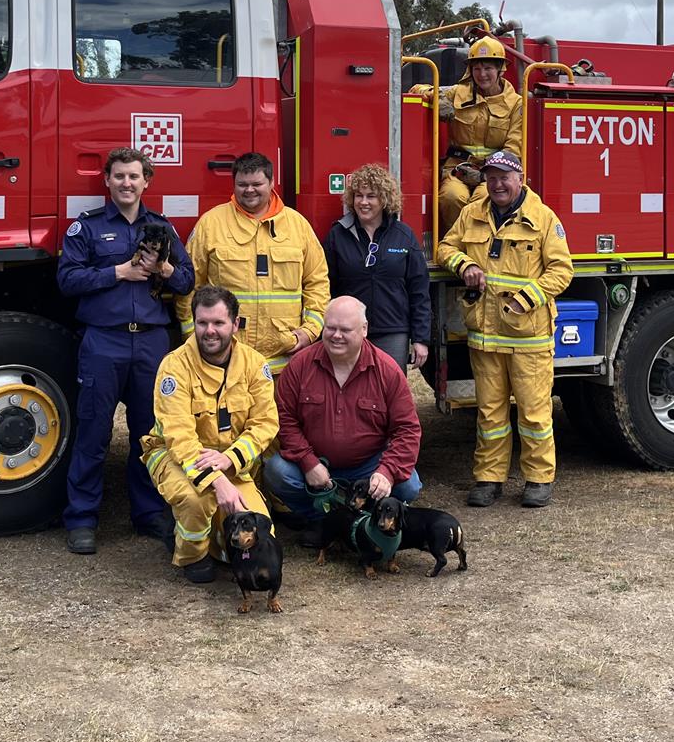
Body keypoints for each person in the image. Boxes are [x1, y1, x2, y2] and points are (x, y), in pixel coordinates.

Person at [56, 147, 194, 555]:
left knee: (149, 434)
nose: (127, 183)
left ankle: (148, 512)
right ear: (108, 181)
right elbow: (67, 280)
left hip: (151, 341)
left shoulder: (162, 228)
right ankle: (82, 518)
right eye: (119, 177)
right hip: (104, 340)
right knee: (94, 433)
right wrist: (119, 271)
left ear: (146, 181)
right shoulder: (88, 228)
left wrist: (163, 270)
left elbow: (187, 281)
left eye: (134, 177)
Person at [435, 149, 573, 509]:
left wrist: (526, 299)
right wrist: (463, 264)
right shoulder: (471, 213)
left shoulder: (543, 219)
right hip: (485, 337)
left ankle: (538, 479)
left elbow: (562, 271)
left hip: (528, 337)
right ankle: (488, 478)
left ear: (520, 179)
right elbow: (444, 248)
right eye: (491, 177)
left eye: (504, 177)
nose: (497, 184)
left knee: (533, 413)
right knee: (490, 414)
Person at [141, 286, 280, 583]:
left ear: (235, 323)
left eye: (218, 323)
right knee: (196, 500)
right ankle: (193, 554)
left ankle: (209, 538)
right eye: (202, 323)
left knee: (259, 533)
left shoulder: (255, 364)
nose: (209, 331)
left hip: (229, 460)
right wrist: (218, 481)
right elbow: (178, 436)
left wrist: (229, 461)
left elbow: (265, 424)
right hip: (175, 457)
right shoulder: (174, 366)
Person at [264, 297, 422, 536]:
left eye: (345, 330)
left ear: (364, 330)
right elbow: (284, 420)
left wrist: (386, 472)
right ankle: (320, 520)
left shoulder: (387, 371)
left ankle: (366, 519)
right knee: (276, 472)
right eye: (331, 328)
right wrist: (308, 462)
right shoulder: (299, 366)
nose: (336, 335)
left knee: (409, 484)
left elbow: (407, 429)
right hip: (316, 464)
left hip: (369, 465)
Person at [177, 151, 330, 375]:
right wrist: (194, 335)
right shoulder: (211, 224)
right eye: (242, 184)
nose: (249, 190)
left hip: (284, 363)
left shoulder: (298, 226)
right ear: (234, 184)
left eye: (256, 183)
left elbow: (317, 284)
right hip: (225, 359)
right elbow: (189, 284)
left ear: (271, 182)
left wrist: (309, 331)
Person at [410, 35, 524, 236]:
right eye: (476, 69)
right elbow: (417, 88)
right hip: (458, 168)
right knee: (451, 197)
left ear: (500, 70)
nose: (482, 74)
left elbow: (513, 148)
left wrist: (485, 175)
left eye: (488, 68)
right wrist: (437, 97)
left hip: (493, 174)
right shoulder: (458, 93)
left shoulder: (515, 103)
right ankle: (454, 247)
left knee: (483, 200)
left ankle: (479, 250)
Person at [322, 163, 431, 369]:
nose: (363, 202)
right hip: (348, 331)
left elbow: (419, 291)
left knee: (389, 393)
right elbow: (325, 287)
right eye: (358, 196)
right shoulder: (338, 235)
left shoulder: (404, 235)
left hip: (392, 332)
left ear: (384, 200)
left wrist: (421, 339)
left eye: (371, 196)